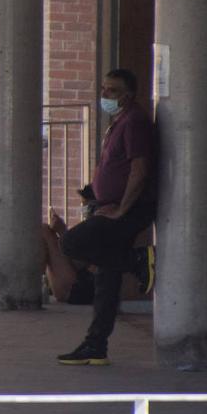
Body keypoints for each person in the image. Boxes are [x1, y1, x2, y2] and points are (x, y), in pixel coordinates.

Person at [56, 69, 157, 366]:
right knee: (106, 279)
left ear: (128, 95)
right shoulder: (119, 122)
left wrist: (122, 208)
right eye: (103, 89)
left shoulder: (135, 122)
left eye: (112, 91)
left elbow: (139, 170)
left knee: (71, 243)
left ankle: (137, 261)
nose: (105, 96)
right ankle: (95, 345)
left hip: (127, 209)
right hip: (109, 205)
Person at [42, 208, 153, 305]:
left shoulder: (118, 220)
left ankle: (31, 286)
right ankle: (37, 284)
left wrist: (62, 232)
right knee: (50, 234)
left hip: (83, 287)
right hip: (86, 278)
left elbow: (95, 260)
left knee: (45, 231)